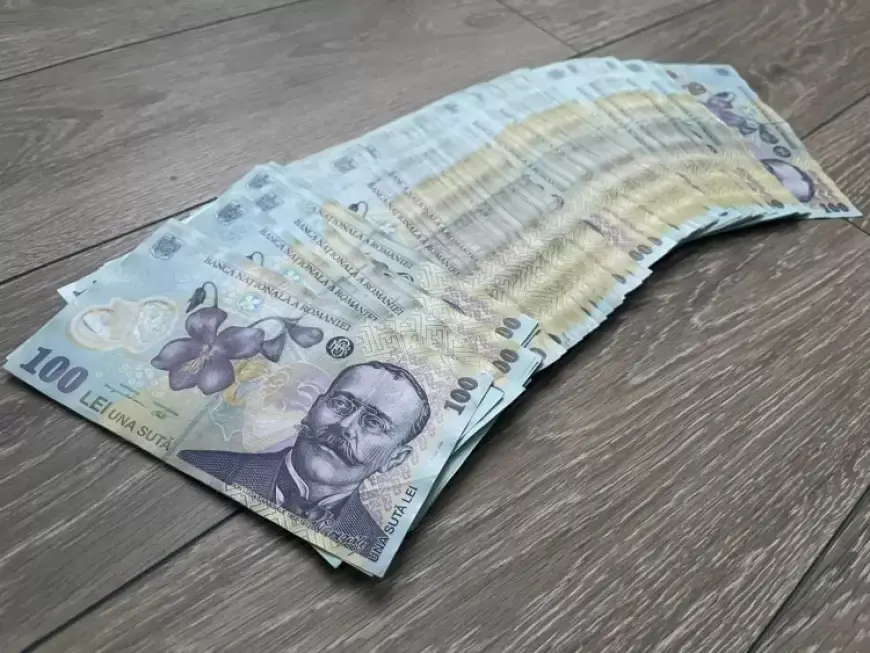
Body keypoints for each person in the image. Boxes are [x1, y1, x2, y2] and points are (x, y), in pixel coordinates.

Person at [179, 361, 430, 559]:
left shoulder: (373, 547)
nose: (345, 426)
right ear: (313, 408)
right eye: (341, 404)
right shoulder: (200, 466)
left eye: (374, 423)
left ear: (395, 458)